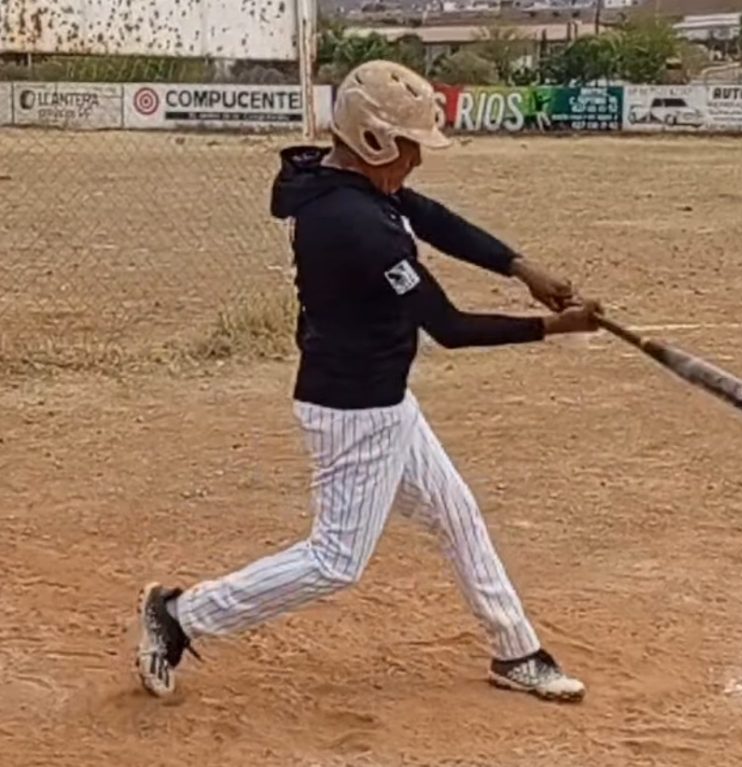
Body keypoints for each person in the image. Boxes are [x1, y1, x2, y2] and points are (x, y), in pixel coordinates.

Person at [135, 60, 601, 703]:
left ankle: (516, 650)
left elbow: (432, 217)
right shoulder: (353, 224)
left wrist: (520, 267)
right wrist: (554, 329)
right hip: (354, 411)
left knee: (457, 515)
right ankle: (182, 615)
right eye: (409, 146)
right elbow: (449, 326)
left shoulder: (348, 182)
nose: (417, 160)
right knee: (335, 561)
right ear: (374, 140)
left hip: (384, 398)